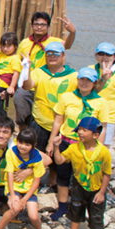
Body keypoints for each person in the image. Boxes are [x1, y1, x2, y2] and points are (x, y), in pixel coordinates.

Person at [48, 65, 110, 220]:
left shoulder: (101, 102)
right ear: (77, 80)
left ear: (95, 83)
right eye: (82, 79)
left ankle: (80, 208)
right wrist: (51, 142)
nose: (84, 82)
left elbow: (102, 128)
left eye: (89, 80)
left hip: (87, 145)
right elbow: (57, 121)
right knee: (63, 175)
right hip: (66, 142)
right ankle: (62, 206)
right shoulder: (66, 97)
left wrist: (99, 148)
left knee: (82, 176)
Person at [21, 42, 76, 212]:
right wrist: (27, 69)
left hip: (63, 125)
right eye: (49, 54)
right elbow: (27, 85)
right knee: (36, 151)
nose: (52, 57)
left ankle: (53, 183)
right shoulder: (39, 71)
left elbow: (86, 90)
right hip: (40, 121)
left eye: (56, 54)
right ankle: (31, 180)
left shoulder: (73, 75)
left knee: (58, 158)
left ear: (63, 56)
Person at [54, 117, 112, 229]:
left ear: (95, 135)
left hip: (96, 188)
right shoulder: (74, 148)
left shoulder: (103, 152)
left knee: (97, 217)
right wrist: (56, 147)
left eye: (84, 130)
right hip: (78, 185)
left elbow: (107, 174)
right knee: (75, 211)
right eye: (79, 130)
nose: (80, 133)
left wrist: (102, 192)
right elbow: (60, 160)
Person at [0, 128, 51, 229]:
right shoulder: (11, 153)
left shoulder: (37, 157)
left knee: (33, 215)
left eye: (27, 144)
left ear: (34, 145)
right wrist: (12, 195)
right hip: (15, 187)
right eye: (20, 142)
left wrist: (25, 199)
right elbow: (9, 174)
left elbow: (36, 181)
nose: (22, 146)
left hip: (29, 189)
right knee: (15, 208)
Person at [14, 12, 77, 125]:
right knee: (19, 100)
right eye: (36, 24)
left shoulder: (54, 41)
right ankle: (23, 132)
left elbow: (67, 45)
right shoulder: (24, 43)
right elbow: (17, 65)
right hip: (29, 82)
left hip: (46, 83)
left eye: (43, 25)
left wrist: (72, 32)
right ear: (32, 25)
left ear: (48, 27)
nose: (39, 27)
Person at [0, 32, 21, 119]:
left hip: (3, 82)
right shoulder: (2, 54)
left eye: (8, 46)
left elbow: (16, 73)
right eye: (3, 46)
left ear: (15, 46)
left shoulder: (15, 58)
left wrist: (12, 86)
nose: (5, 49)